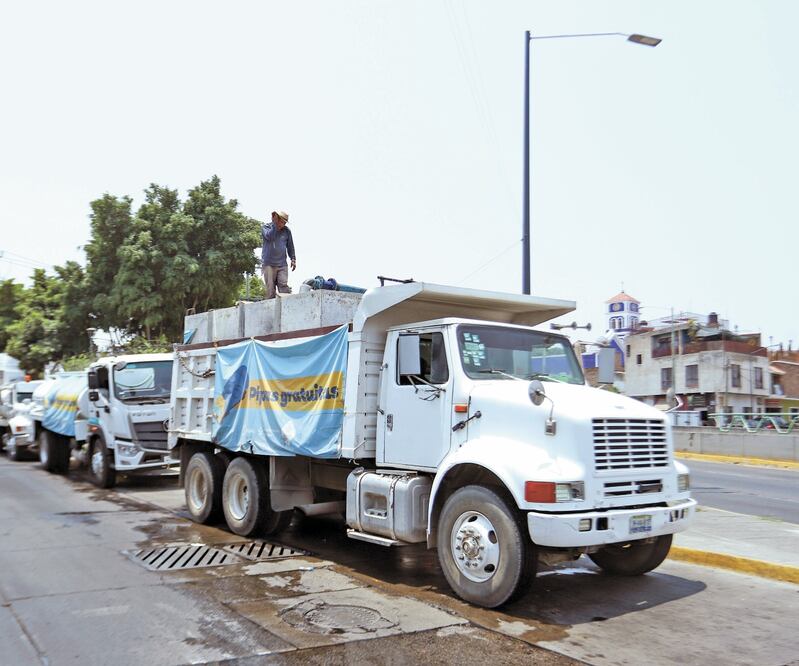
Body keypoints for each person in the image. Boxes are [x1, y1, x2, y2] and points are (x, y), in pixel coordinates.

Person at [261, 210, 296, 299]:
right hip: (269, 264)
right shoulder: (266, 227)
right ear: (276, 219)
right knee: (270, 291)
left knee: (283, 287)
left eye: (284, 223)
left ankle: (287, 309)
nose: (282, 224)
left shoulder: (286, 231)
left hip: (282, 264)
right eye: (280, 221)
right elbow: (270, 237)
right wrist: (274, 225)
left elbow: (290, 245)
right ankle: (271, 311)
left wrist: (293, 258)